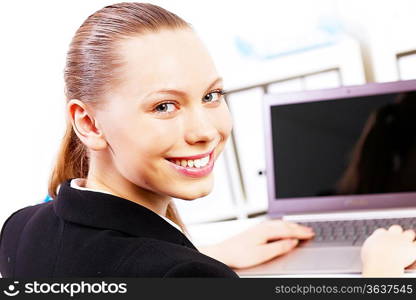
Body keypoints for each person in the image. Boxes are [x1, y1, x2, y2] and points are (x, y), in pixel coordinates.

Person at [0, 2, 414, 278]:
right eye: (164, 106)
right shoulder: (179, 275)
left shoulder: (19, 227)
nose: (204, 131)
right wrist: (379, 276)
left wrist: (204, 256)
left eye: (211, 96)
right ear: (89, 124)